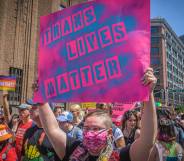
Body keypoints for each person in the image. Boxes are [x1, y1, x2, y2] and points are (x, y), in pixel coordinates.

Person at [38, 68, 158, 161]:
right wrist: (41, 99)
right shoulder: (73, 149)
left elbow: (147, 141)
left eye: (96, 129)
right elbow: (52, 129)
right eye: (86, 128)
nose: (90, 133)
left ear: (110, 133)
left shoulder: (122, 156)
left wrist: (149, 93)